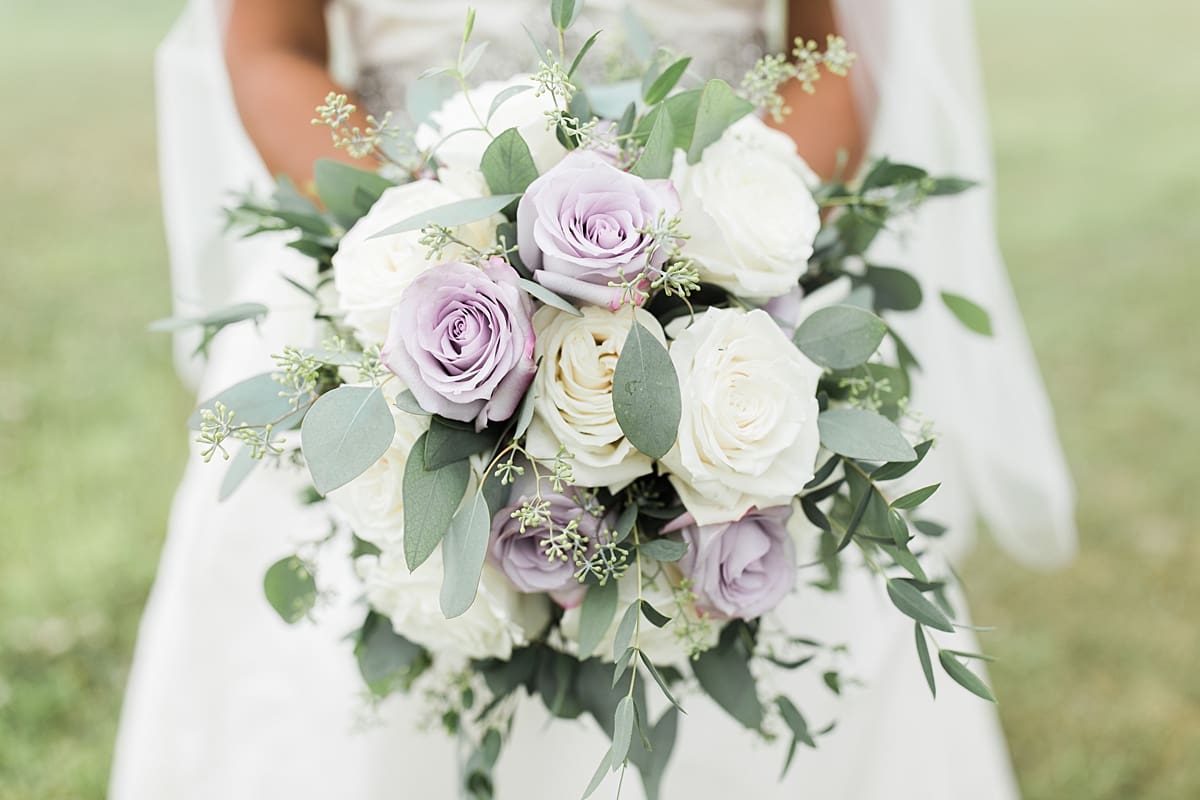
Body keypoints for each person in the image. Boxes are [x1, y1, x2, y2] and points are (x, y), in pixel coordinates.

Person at [111, 1, 1077, 798]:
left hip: (730, 267)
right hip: (398, 252)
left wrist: (722, 260)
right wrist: (433, 245)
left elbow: (832, 54)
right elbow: (268, 46)